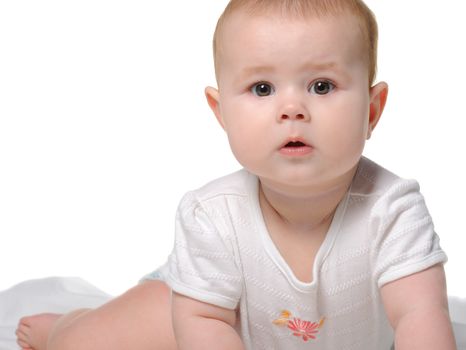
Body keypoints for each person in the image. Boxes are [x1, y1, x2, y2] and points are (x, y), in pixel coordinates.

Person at [16, 0, 457, 349]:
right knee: (87, 343)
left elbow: (421, 313)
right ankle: (66, 328)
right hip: (217, 310)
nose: (292, 109)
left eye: (321, 86)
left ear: (372, 111)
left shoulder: (393, 207)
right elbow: (202, 322)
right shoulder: (213, 214)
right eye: (262, 88)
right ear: (220, 110)